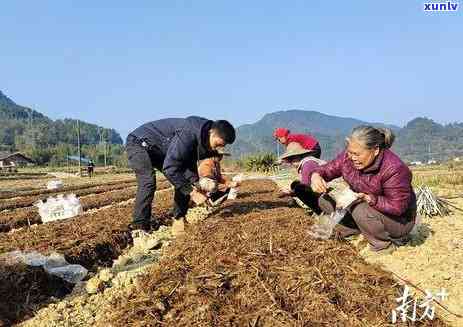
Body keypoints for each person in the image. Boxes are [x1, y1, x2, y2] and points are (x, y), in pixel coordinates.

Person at [309, 125, 416, 254]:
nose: (352, 157)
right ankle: (354, 229)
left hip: (399, 222)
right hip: (366, 208)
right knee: (325, 199)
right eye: (350, 152)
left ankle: (382, 245)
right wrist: (316, 175)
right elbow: (328, 169)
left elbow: (398, 207)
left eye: (357, 154)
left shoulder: (394, 169)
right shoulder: (347, 158)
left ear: (375, 150)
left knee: (359, 208)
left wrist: (368, 198)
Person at [126, 117, 236, 232]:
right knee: (148, 182)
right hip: (139, 143)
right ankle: (139, 230)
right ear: (211, 132)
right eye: (218, 144)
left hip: (161, 149)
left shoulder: (201, 139)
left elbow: (189, 172)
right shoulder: (188, 133)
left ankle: (179, 219)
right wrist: (193, 193)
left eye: (222, 146)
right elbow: (170, 168)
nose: (218, 149)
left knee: (185, 180)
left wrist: (197, 186)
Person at [278, 142, 325, 212]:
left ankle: (320, 210)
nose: (291, 163)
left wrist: (289, 192)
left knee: (299, 188)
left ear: (298, 157)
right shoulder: (307, 162)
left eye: (291, 159)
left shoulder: (307, 164)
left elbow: (305, 186)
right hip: (322, 190)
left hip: (327, 194)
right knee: (295, 184)